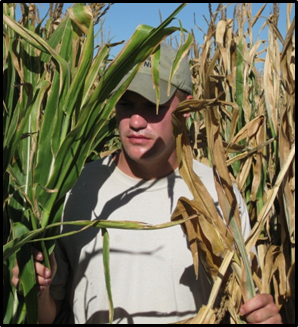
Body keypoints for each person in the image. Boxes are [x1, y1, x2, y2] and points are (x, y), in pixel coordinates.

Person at [12, 43, 282, 324]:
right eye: (126, 104)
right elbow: (50, 313)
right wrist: (36, 291)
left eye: (154, 106)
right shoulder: (75, 190)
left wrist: (263, 317)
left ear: (187, 108)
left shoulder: (219, 195)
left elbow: (243, 302)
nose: (136, 121)